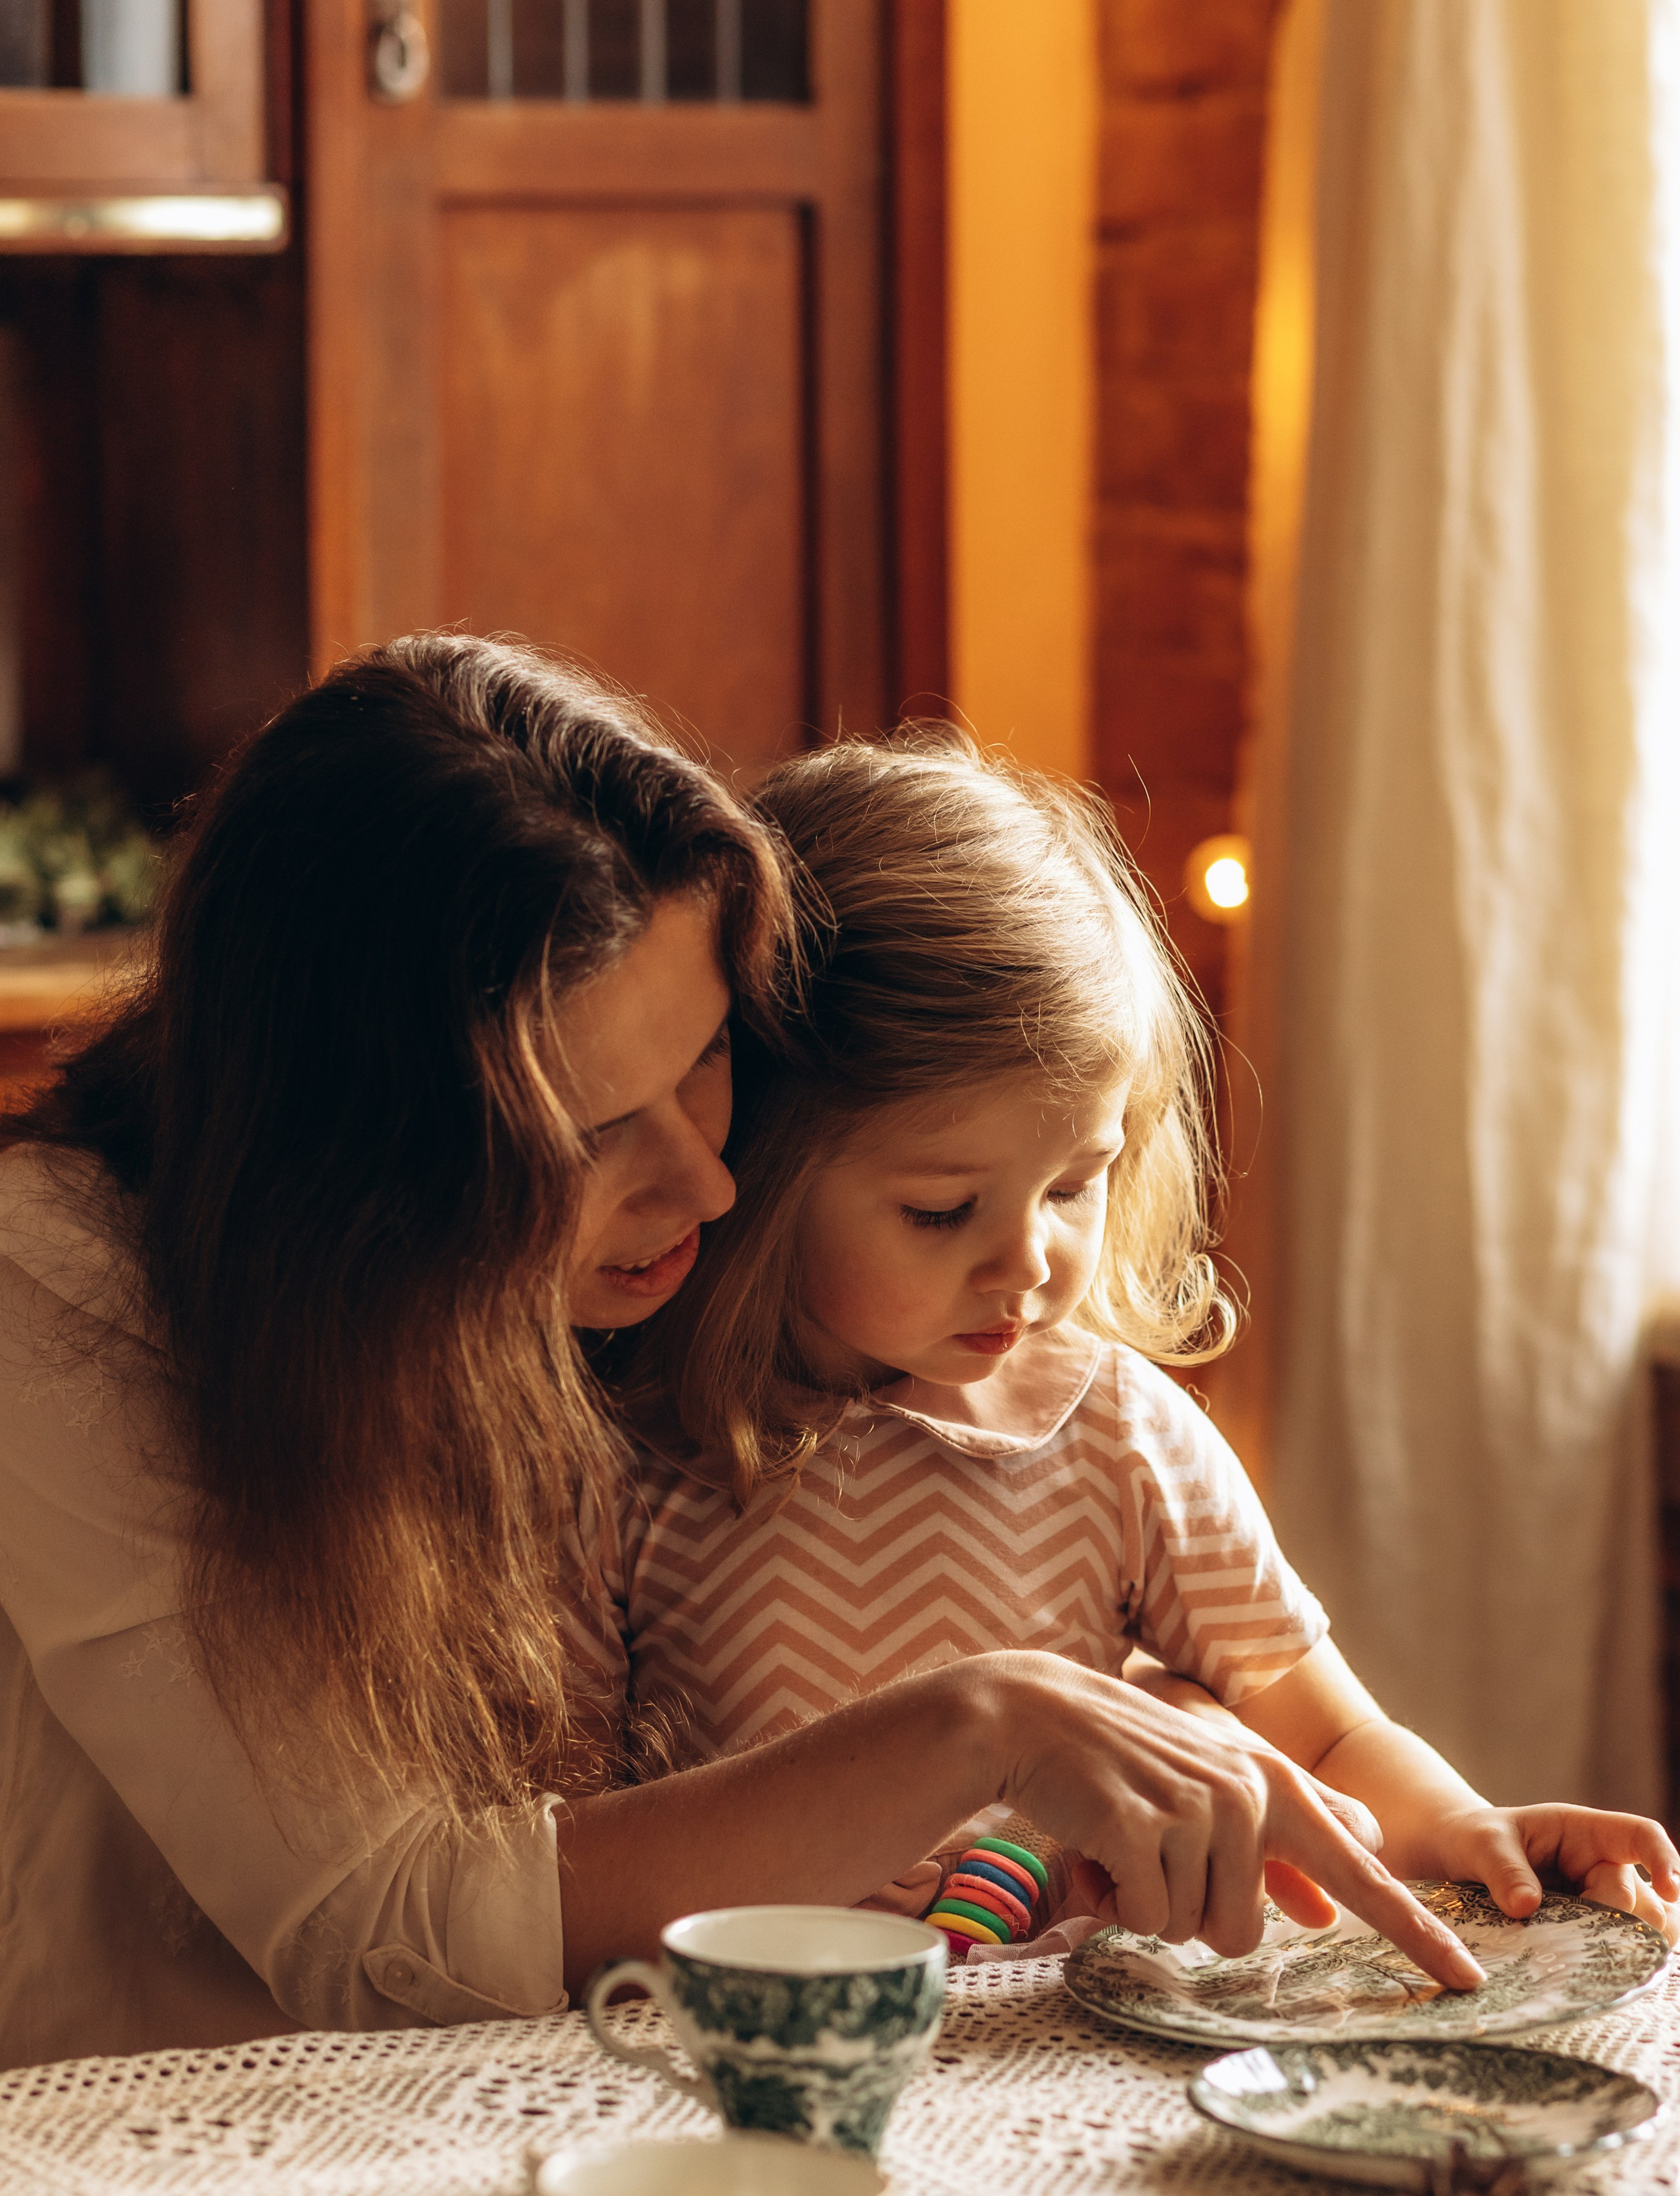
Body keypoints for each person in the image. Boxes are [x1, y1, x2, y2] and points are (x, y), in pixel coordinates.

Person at [0, 636, 1494, 2069]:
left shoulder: (572, 1274)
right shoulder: (55, 1298)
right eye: (587, 1132)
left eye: (708, 1058)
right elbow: (392, 1931)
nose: (711, 1187)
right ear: (362, 1157)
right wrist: (981, 1722)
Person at [614, 730, 1680, 1958]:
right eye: (940, 1209)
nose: (1029, 1263)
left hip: (1063, 2049)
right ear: (762, 1155)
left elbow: (1322, 1737)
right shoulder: (643, 1446)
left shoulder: (1114, 1430)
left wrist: (1465, 1828)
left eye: (1074, 1184)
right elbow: (572, 1841)